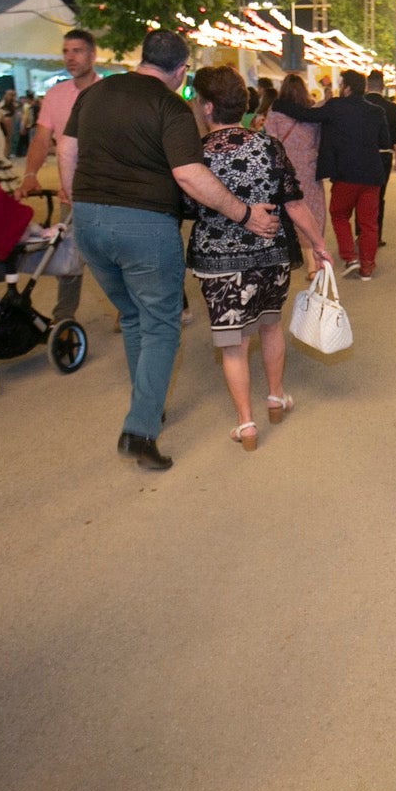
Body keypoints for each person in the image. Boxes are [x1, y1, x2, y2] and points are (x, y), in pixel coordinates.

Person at [66, 29, 279, 471]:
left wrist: (81, 199)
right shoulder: (170, 107)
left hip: (88, 222)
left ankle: (148, 404)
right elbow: (188, 176)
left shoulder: (94, 92)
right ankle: (141, 431)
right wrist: (243, 213)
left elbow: (67, 149)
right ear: (181, 70)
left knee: (131, 317)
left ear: (142, 57)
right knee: (162, 324)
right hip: (144, 225)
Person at [187, 67, 331, 450]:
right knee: (270, 326)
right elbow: (295, 202)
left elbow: (186, 206)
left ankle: (246, 424)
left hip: (217, 260)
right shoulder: (268, 146)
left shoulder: (194, 156)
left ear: (207, 107)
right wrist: (318, 243)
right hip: (271, 254)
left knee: (233, 344)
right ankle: (275, 396)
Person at [270, 70, 390, 280]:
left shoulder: (336, 106)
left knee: (340, 214)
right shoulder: (377, 111)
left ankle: (350, 258)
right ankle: (367, 267)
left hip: (345, 174)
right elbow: (385, 141)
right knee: (369, 223)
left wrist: (281, 104)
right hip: (372, 174)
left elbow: (307, 115)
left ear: (348, 88)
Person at [18, 28, 101, 321]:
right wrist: (30, 173)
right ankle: (64, 316)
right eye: (66, 51)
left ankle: (128, 308)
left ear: (92, 55)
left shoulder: (108, 93)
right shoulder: (55, 95)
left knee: (117, 250)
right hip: (71, 189)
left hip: (108, 188)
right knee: (67, 250)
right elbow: (41, 140)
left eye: (77, 51)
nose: (70, 57)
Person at [264, 73, 326, 276]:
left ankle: (297, 258)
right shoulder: (312, 111)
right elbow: (318, 141)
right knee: (314, 211)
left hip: (286, 168)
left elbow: (271, 140)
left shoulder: (275, 111)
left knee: (290, 209)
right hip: (310, 167)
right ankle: (314, 261)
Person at [365, 70, 396, 249]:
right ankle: (376, 235)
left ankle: (361, 233)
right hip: (383, 155)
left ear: (368, 85)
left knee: (361, 195)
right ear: (382, 86)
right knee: (378, 196)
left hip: (361, 155)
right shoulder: (392, 108)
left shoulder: (361, 105)